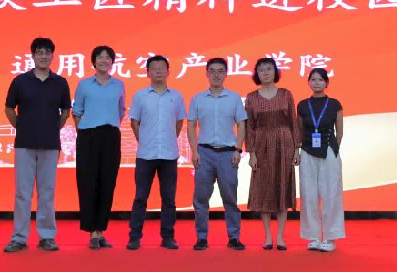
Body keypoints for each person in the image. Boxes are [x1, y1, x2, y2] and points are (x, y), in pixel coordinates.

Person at [3, 37, 72, 253]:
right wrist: (22, 126)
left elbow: (65, 111)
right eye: (39, 52)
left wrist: (52, 128)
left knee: (47, 192)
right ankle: (19, 237)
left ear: (52, 56)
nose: (43, 56)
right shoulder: (20, 81)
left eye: (47, 52)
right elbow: (9, 109)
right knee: (23, 193)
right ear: (32, 55)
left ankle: (47, 236)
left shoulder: (60, 82)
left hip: (50, 144)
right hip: (24, 143)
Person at [126, 55, 187, 250]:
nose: (158, 71)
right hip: (145, 154)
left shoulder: (176, 97)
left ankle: (168, 236)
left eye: (162, 67)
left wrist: (168, 139)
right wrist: (144, 140)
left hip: (169, 154)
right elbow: (134, 122)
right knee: (140, 197)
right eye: (154, 68)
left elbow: (179, 123)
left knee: (169, 199)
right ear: (148, 73)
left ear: (168, 72)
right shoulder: (140, 96)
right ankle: (134, 236)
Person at [187, 57, 248, 251]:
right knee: (201, 199)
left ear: (226, 74)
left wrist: (238, 149)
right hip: (204, 153)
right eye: (212, 71)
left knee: (230, 198)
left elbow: (242, 124)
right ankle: (201, 238)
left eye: (220, 71)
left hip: (227, 154)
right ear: (206, 74)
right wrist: (194, 151)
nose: (216, 75)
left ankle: (234, 237)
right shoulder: (197, 98)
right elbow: (191, 125)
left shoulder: (234, 98)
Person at [72, 45, 126, 249]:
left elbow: (121, 110)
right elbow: (77, 111)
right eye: (100, 57)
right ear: (94, 62)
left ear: (112, 62)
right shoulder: (84, 85)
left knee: (107, 182)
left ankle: (100, 231)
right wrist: (85, 131)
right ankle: (91, 232)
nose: (104, 60)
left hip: (110, 136)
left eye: (108, 57)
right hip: (88, 136)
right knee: (88, 182)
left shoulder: (119, 85)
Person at [245, 57, 301, 251]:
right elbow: (249, 127)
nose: (265, 72)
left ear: (275, 71)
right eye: (261, 69)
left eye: (269, 68)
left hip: (284, 144)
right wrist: (251, 153)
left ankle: (281, 237)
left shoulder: (286, 94)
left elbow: (293, 122)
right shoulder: (251, 98)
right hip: (261, 145)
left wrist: (296, 149)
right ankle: (268, 236)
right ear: (257, 74)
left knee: (282, 187)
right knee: (264, 189)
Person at [296, 68, 345, 252]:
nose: (316, 83)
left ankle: (331, 238)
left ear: (326, 83)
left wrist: (334, 148)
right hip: (307, 152)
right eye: (313, 79)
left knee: (331, 194)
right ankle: (314, 237)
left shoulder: (334, 104)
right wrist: (298, 151)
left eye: (320, 80)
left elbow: (339, 132)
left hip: (329, 152)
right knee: (309, 195)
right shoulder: (303, 105)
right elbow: (300, 131)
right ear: (309, 82)